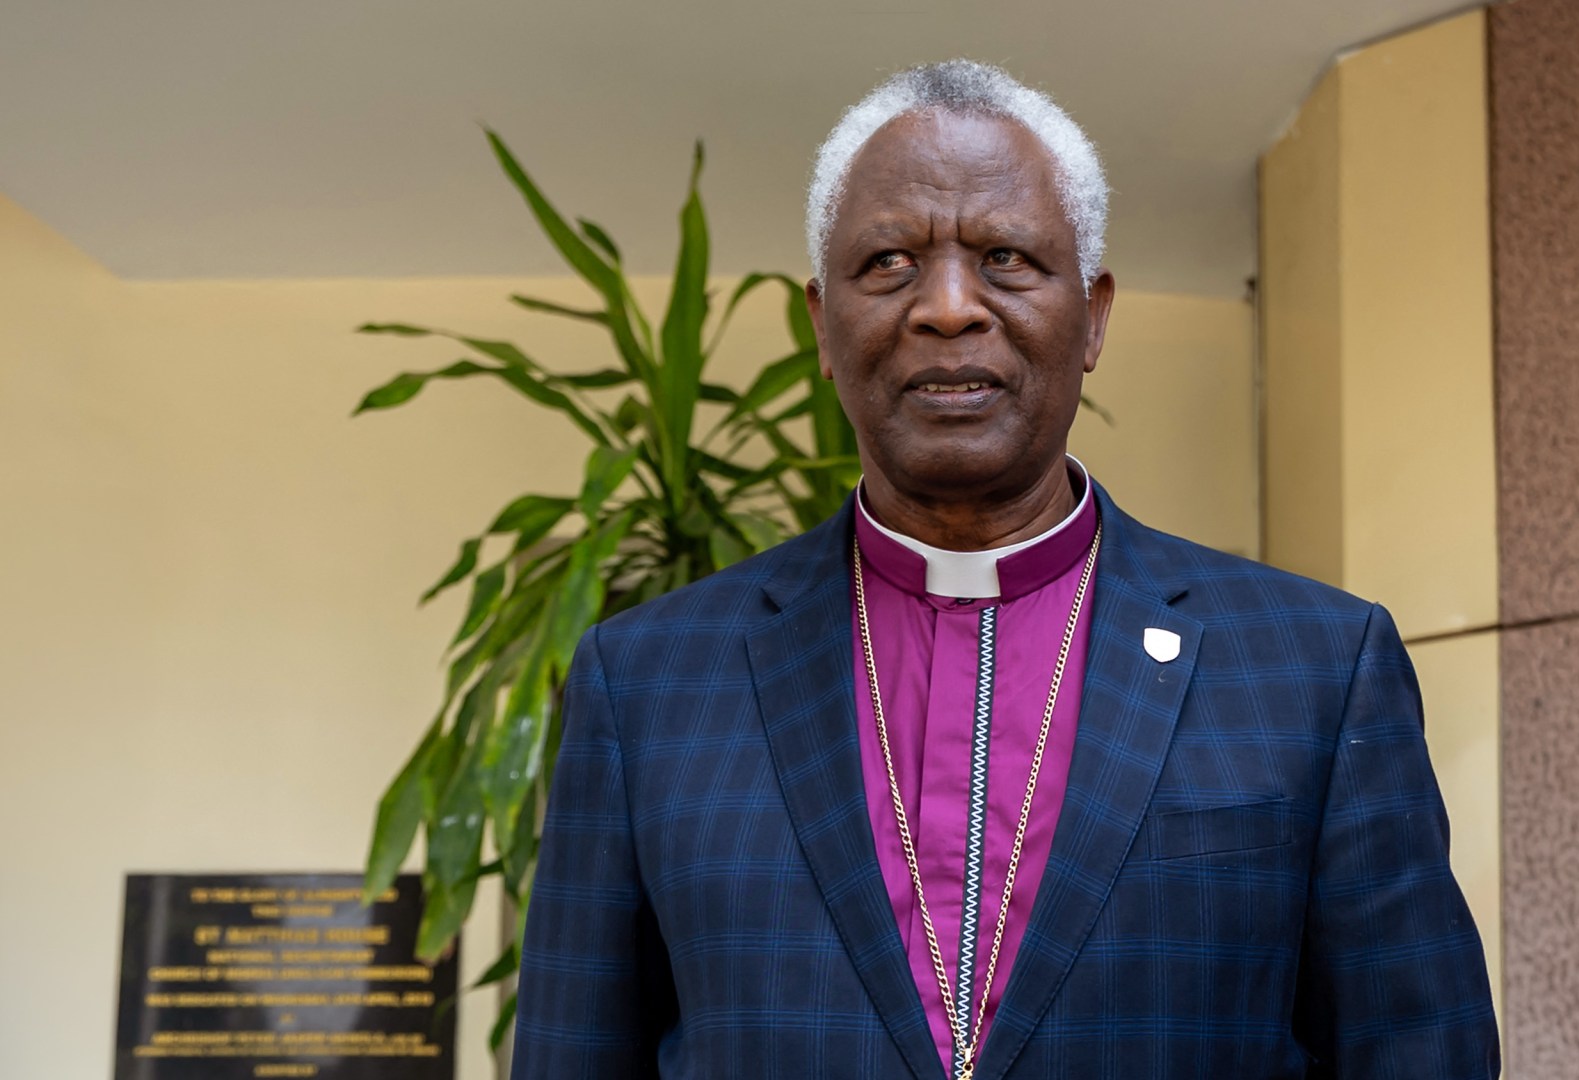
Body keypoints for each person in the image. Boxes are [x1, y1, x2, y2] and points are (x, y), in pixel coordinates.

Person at [511, 60, 1499, 1080]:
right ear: (820, 324)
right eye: (889, 262)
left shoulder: (1314, 670)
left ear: (1094, 316)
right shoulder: (649, 684)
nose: (947, 308)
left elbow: (1421, 1055)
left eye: (1006, 258)